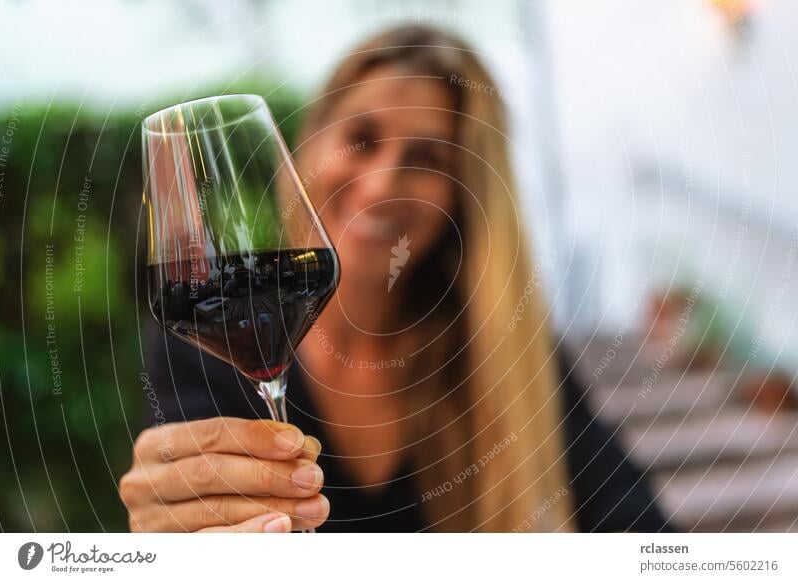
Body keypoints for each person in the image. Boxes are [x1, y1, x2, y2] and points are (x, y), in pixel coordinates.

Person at [120, 25, 671, 533]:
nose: (383, 185)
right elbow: (190, 516)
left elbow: (638, 528)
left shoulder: (502, 352)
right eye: (362, 139)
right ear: (310, 145)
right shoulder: (199, 353)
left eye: (427, 158)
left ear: (462, 196)